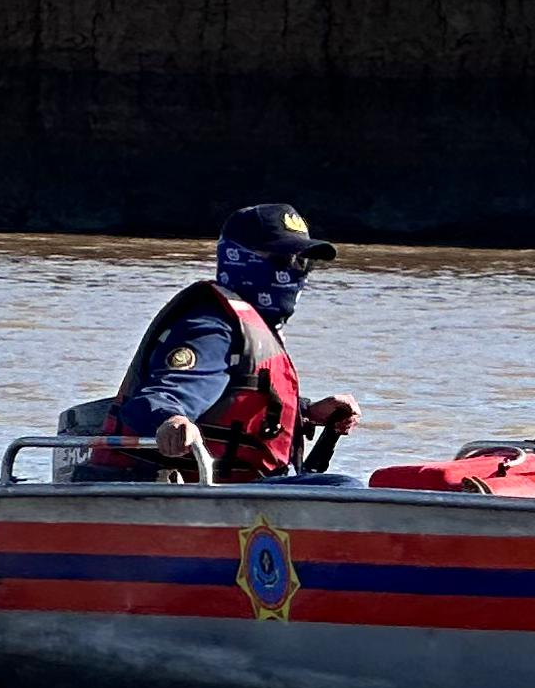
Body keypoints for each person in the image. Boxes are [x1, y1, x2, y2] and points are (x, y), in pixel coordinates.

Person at [80, 201, 363, 481]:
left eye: (305, 263)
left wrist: (306, 412)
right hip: (190, 499)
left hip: (251, 497)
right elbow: (162, 396)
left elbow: (231, 399)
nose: (297, 272)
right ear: (242, 260)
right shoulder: (212, 328)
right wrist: (171, 421)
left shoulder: (246, 325)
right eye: (285, 260)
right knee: (343, 487)